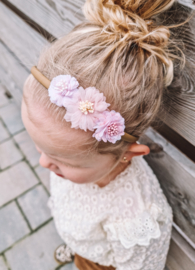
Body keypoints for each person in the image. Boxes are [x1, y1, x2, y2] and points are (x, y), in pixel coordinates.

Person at [21, 0, 183, 269]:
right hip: (82, 235)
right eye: (41, 149)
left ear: (126, 155)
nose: (44, 164)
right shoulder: (77, 159)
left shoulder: (134, 216)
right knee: (81, 246)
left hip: (104, 264)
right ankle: (77, 248)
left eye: (63, 161)